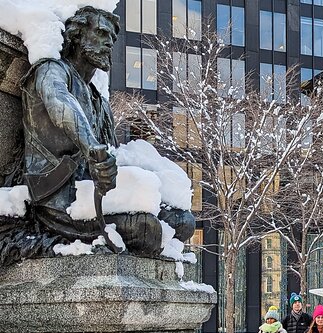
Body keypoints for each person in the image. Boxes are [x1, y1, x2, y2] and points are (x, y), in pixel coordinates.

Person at [18, 6, 194, 256]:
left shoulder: (98, 99)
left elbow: (112, 151)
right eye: (101, 33)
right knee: (146, 230)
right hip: (57, 197)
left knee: (183, 222)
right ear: (77, 35)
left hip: (92, 192)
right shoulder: (51, 70)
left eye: (111, 38)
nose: (108, 43)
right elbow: (60, 104)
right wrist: (91, 147)